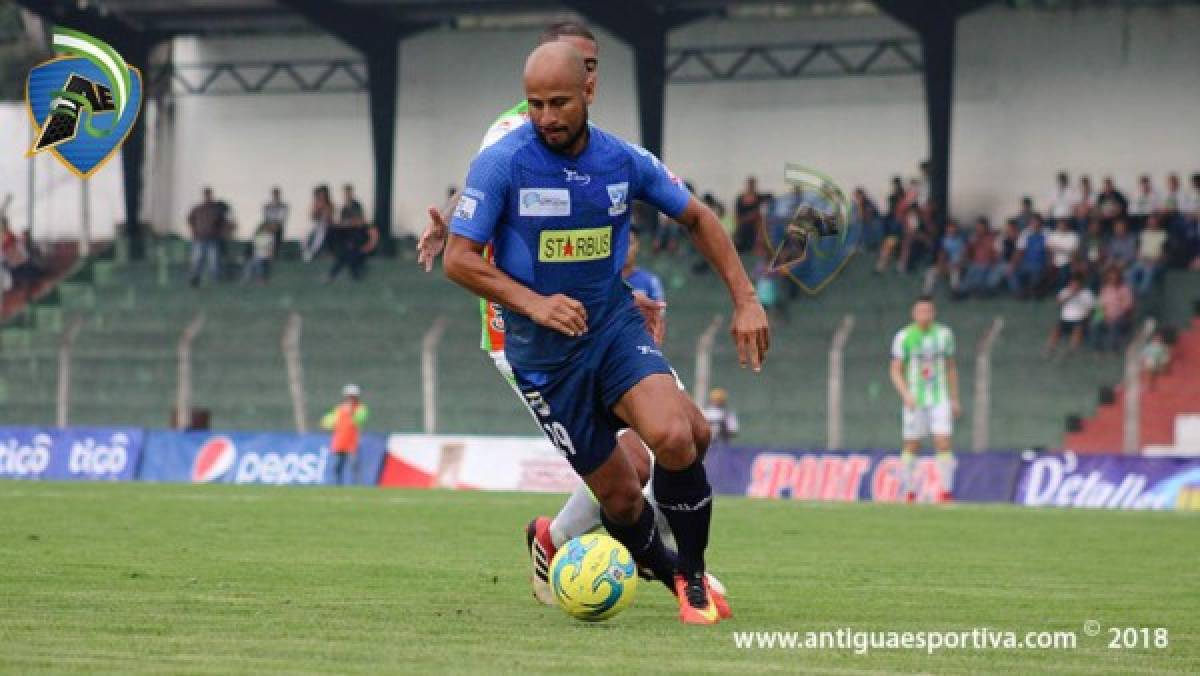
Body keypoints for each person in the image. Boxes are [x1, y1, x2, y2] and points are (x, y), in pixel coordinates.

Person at [442, 42, 768, 624]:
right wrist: (536, 304)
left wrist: (745, 299)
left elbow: (698, 216)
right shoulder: (504, 163)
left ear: (589, 92)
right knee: (620, 495)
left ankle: (691, 577)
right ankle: (667, 573)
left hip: (612, 330)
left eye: (559, 103)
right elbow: (459, 259)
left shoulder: (621, 159)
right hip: (545, 360)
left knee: (676, 435)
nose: (546, 117)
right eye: (536, 104)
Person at [889, 296, 959, 503]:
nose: (924, 315)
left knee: (943, 441)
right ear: (914, 313)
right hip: (915, 399)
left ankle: (946, 492)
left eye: (928, 311)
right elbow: (895, 370)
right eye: (920, 311)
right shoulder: (904, 336)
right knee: (912, 444)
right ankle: (909, 492)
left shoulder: (944, 335)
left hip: (940, 397)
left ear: (933, 313)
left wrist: (954, 398)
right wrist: (906, 394)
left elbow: (951, 367)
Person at [326, 184, 379, 281]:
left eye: (348, 193)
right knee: (346, 255)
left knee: (348, 255)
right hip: (350, 237)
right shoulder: (344, 209)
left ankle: (334, 275)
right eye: (345, 193)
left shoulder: (356, 205)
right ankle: (352, 275)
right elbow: (344, 224)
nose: (346, 195)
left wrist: (348, 223)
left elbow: (359, 223)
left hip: (358, 237)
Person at [321, 384, 369, 486]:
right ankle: (338, 486)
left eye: (352, 396)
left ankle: (356, 486)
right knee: (337, 465)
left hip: (352, 441)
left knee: (354, 465)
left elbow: (360, 420)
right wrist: (326, 423)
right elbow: (332, 421)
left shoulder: (360, 408)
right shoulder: (339, 408)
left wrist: (351, 411)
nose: (350, 398)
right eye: (349, 396)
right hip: (339, 441)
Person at [186, 187, 230, 286]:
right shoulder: (198, 208)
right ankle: (194, 279)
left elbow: (223, 222)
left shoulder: (216, 209)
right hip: (199, 238)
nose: (208, 196)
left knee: (213, 261)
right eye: (206, 194)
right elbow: (190, 219)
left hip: (212, 239)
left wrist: (221, 233)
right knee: (196, 260)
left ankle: (215, 280)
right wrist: (194, 231)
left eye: (209, 194)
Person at [1045, 275, 1095, 358]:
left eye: (1077, 284)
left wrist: (1086, 317)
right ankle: (1049, 348)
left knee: (1077, 330)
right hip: (1065, 319)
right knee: (1056, 330)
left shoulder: (1087, 293)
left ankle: (1071, 350)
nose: (1075, 286)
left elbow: (1091, 309)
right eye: (1073, 284)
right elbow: (1058, 303)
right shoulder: (1065, 291)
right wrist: (1070, 295)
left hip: (1080, 318)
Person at [1007, 214, 1049, 298]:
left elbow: (1049, 251)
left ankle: (1033, 291)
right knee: (1012, 273)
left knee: (1036, 271)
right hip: (1026, 263)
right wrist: (1012, 264)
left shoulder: (1047, 233)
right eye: (1033, 223)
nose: (1035, 225)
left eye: (1037, 223)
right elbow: (1019, 250)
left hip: (1040, 263)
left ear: (1041, 223)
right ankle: (1019, 292)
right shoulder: (1025, 233)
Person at [1091, 269, 1134, 352]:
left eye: (1115, 277)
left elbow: (1127, 306)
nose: (1113, 279)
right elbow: (1099, 305)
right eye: (1110, 278)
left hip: (1120, 316)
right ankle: (1097, 347)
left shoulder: (1125, 289)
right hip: (1105, 314)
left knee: (1114, 323)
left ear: (1119, 278)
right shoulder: (1105, 289)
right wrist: (1100, 316)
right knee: (1094, 324)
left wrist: (1114, 316)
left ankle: (1114, 347)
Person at [922, 219, 966, 298]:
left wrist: (959, 264)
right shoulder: (942, 240)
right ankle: (927, 294)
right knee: (930, 272)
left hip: (956, 264)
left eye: (953, 228)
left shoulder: (961, 241)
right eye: (950, 228)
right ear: (946, 229)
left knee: (955, 272)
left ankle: (955, 292)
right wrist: (941, 266)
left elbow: (963, 255)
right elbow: (941, 254)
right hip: (944, 264)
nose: (951, 230)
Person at [1127, 214, 1167, 295]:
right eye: (1149, 223)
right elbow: (1137, 250)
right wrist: (1140, 257)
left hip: (1156, 262)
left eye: (1153, 223)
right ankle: (1131, 293)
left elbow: (1164, 254)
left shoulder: (1163, 235)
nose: (1151, 225)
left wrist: (1153, 260)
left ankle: (1142, 293)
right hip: (1142, 261)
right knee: (1128, 272)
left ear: (1158, 223)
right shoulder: (1143, 233)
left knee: (1148, 270)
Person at [961, 218, 997, 297]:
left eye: (981, 227)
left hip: (986, 263)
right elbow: (967, 250)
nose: (979, 229)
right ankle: (961, 292)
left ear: (986, 227)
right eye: (978, 227)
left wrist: (991, 261)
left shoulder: (991, 237)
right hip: (975, 262)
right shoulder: (974, 237)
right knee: (969, 276)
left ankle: (974, 292)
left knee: (978, 278)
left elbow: (993, 252)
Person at [1045, 217, 1081, 290]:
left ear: (1067, 225)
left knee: (1064, 274)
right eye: (1060, 225)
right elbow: (1048, 249)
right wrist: (1051, 261)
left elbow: (1075, 252)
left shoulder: (1073, 236)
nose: (1062, 226)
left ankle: (1061, 291)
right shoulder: (1053, 235)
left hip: (1068, 262)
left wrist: (1059, 248)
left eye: (1064, 225)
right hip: (1054, 261)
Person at [733, 177, 767, 253]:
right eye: (750, 184)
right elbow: (737, 216)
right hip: (742, 228)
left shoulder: (760, 198)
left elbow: (760, 215)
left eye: (752, 184)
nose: (751, 186)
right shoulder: (740, 198)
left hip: (755, 229)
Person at [304, 184, 334, 262]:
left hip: (326, 226)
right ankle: (307, 252)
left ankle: (313, 251)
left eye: (323, 195)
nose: (321, 196)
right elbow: (313, 217)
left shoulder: (330, 205)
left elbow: (329, 219)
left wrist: (324, 209)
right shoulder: (316, 203)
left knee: (320, 235)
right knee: (305, 236)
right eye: (320, 195)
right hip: (317, 225)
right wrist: (317, 209)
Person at [262, 187, 288, 256]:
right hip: (269, 227)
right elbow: (266, 218)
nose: (275, 196)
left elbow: (282, 218)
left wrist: (275, 225)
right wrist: (270, 225)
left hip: (278, 228)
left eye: (277, 194)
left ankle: (275, 252)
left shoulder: (284, 206)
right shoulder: (267, 206)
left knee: (277, 232)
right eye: (274, 194)